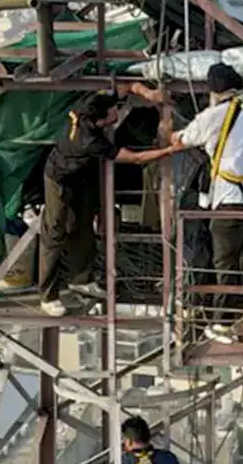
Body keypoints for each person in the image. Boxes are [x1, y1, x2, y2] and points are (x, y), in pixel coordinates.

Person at [133, 64, 243, 341]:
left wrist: (166, 130)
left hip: (231, 199)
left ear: (213, 91)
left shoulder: (213, 117)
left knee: (225, 260)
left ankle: (223, 322)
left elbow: (181, 139)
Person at [36, 91, 184, 317]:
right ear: (101, 121)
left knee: (83, 226)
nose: (118, 112)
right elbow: (134, 158)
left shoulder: (86, 102)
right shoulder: (89, 140)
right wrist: (170, 150)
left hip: (80, 179)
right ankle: (48, 296)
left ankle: (82, 278)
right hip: (59, 178)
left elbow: (119, 90)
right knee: (55, 232)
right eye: (114, 111)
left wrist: (145, 91)